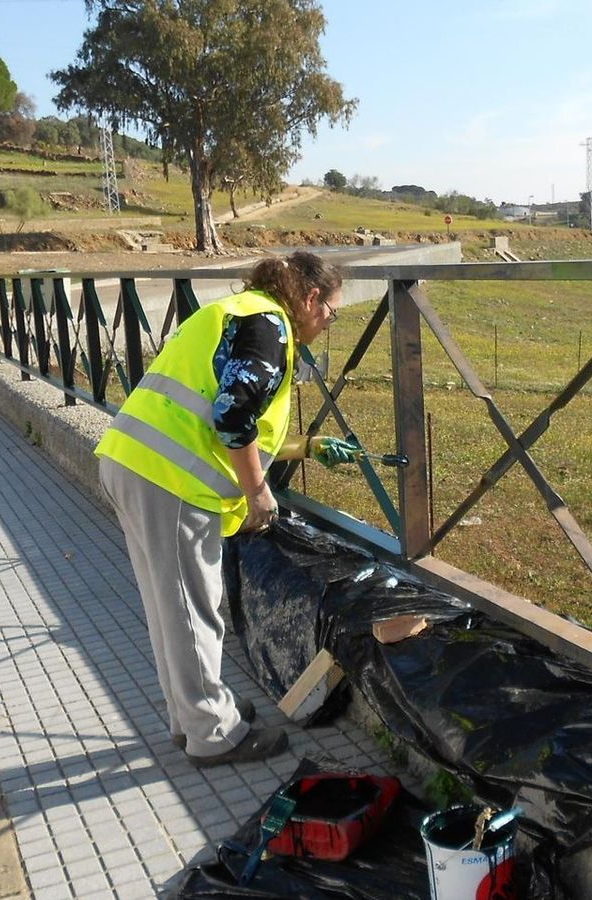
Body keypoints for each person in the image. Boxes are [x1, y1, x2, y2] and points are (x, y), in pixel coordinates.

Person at [95, 251, 363, 767]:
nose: (329, 323)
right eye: (331, 311)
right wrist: (259, 491)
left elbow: (230, 416)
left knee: (168, 606)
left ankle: (191, 716)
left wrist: (304, 447)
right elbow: (233, 414)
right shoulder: (271, 327)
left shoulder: (241, 311)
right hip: (170, 482)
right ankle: (213, 734)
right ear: (309, 298)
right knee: (195, 610)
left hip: (135, 461)